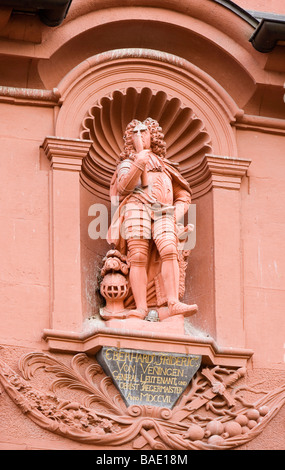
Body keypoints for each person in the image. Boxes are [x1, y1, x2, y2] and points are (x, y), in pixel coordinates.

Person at [107, 118, 197, 320]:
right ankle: (140, 308)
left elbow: (183, 195)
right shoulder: (127, 164)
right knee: (137, 255)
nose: (139, 135)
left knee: (169, 249)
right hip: (136, 208)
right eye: (135, 132)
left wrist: (176, 213)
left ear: (152, 136)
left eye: (144, 131)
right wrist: (139, 162)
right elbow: (124, 188)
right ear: (130, 139)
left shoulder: (166, 167)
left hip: (164, 212)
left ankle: (173, 302)